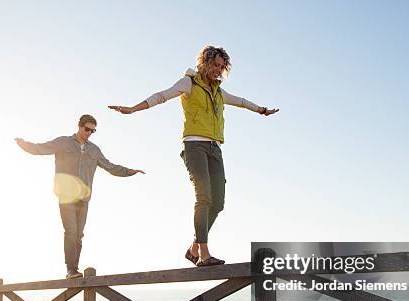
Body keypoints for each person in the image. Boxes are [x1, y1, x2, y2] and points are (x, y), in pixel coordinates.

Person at [109, 45, 278, 267]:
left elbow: (241, 101)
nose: (218, 70)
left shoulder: (219, 91)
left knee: (218, 203)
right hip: (194, 146)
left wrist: (261, 110)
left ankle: (194, 248)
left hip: (215, 148)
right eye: (215, 65)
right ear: (204, 63)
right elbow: (162, 96)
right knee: (204, 197)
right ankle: (204, 255)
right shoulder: (189, 83)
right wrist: (133, 109)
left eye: (222, 66)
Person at [15, 114, 145, 279]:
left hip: (84, 199)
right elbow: (41, 148)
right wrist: (24, 144)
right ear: (79, 126)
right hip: (66, 196)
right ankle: (71, 269)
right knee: (70, 231)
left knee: (79, 235)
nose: (89, 133)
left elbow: (110, 167)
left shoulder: (94, 150)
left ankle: (74, 270)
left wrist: (130, 171)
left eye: (93, 131)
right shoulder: (63, 142)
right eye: (87, 129)